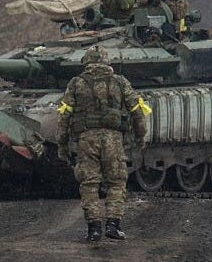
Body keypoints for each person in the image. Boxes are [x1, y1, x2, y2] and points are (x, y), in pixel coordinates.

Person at [56, 46, 150, 242]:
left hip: (86, 140)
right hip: (113, 139)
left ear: (86, 62)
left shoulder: (76, 83)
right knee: (116, 181)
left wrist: (62, 144)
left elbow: (64, 115)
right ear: (107, 62)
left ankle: (94, 229)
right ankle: (113, 226)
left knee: (89, 183)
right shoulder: (120, 82)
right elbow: (137, 110)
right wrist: (140, 136)